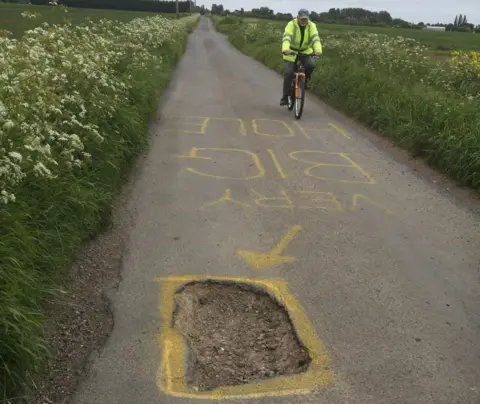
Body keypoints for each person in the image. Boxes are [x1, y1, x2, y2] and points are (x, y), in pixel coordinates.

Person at [280, 9, 323, 106]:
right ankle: (285, 97)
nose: (304, 21)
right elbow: (287, 37)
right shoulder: (291, 24)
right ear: (298, 17)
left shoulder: (311, 25)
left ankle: (305, 81)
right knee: (288, 73)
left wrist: (318, 50)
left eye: (305, 19)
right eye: (302, 19)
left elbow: (315, 38)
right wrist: (286, 49)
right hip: (291, 51)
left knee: (311, 65)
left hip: (305, 51)